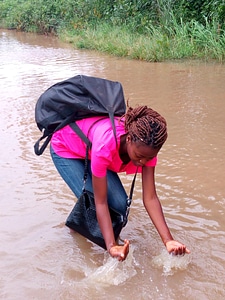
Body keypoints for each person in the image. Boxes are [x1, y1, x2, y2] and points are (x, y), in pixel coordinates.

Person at [50, 105, 190, 261]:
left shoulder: (148, 150)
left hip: (93, 149)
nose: (143, 162)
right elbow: (101, 202)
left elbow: (150, 198)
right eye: (139, 156)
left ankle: (82, 226)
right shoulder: (105, 146)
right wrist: (111, 246)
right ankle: (74, 230)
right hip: (66, 148)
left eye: (149, 158)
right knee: (94, 201)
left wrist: (168, 240)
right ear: (128, 139)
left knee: (120, 206)